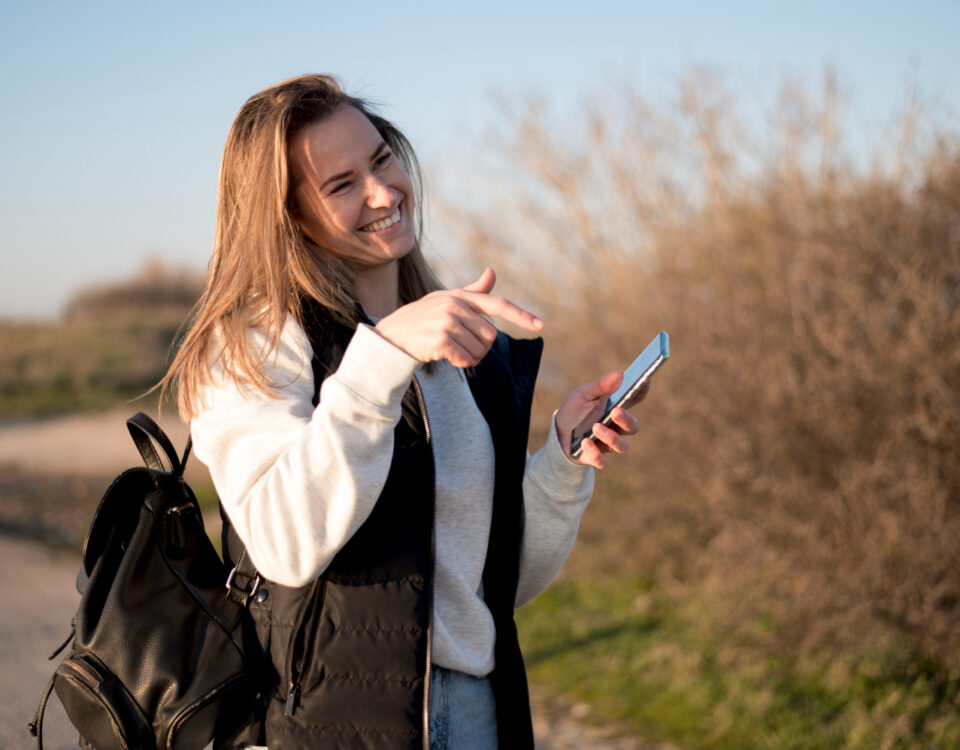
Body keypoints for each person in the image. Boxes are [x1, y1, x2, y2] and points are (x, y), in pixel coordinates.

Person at [160, 74, 646, 750]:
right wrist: (380, 361)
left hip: (477, 712)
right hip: (330, 727)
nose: (384, 193)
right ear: (286, 215)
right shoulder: (252, 344)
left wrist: (562, 462)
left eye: (381, 157)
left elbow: (487, 593)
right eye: (340, 185)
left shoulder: (449, 342)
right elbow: (284, 545)